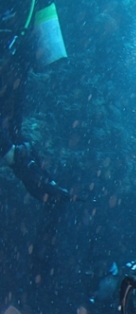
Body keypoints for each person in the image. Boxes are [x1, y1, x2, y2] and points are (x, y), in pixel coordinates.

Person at [1, 0, 73, 287]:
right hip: (14, 75)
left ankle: (40, 264)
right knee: (25, 161)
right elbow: (48, 56)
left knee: (30, 166)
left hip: (13, 77)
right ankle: (40, 266)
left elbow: (48, 55)